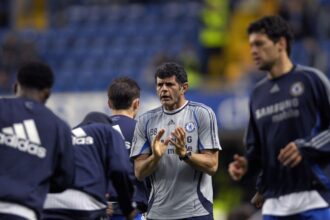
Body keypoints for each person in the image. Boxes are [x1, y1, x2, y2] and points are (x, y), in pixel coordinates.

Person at [228, 15, 330, 220]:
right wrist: (246, 165)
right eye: (251, 45)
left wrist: (305, 147)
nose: (253, 51)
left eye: (259, 44)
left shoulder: (311, 80)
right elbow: (256, 150)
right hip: (274, 205)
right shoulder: (257, 94)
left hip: (313, 198)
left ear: (281, 43)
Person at [130, 62, 221, 220]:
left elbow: (212, 165)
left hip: (196, 212)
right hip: (157, 214)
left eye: (170, 84)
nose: (163, 89)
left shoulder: (202, 114)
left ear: (183, 87)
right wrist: (155, 158)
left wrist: (186, 154)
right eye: (160, 85)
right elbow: (139, 172)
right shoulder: (145, 121)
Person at [0, 61, 74, 220]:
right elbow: (65, 179)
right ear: (47, 93)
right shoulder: (59, 127)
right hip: (22, 212)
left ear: (15, 86)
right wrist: (37, 182)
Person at [43, 112, 137, 220]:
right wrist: (128, 208)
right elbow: (120, 169)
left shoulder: (66, 134)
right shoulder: (108, 131)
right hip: (83, 205)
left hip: (48, 203)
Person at [106, 77, 149, 220]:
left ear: (109, 103)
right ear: (136, 104)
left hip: (103, 209)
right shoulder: (142, 130)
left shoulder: (96, 130)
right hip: (133, 211)